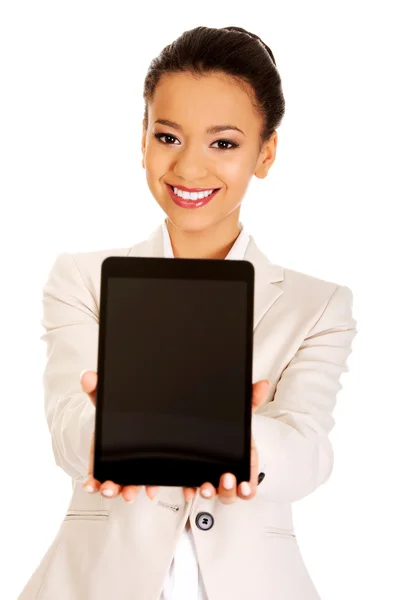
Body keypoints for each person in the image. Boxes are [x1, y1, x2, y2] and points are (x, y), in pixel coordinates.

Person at [18, 25, 358, 600]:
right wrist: (112, 430)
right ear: (144, 140)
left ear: (266, 152)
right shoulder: (83, 278)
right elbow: (67, 429)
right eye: (168, 136)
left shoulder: (316, 305)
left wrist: (239, 436)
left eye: (223, 143)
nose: (190, 168)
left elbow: (307, 454)